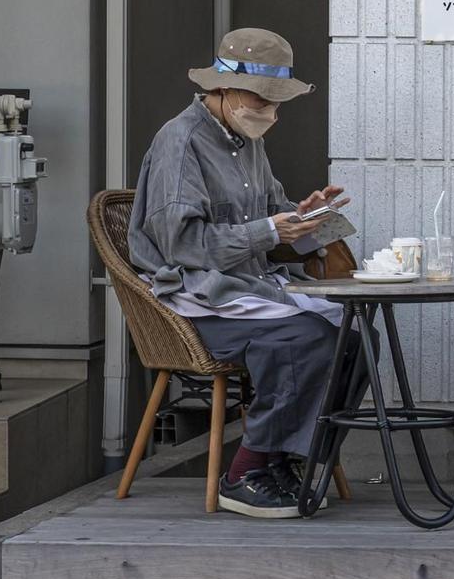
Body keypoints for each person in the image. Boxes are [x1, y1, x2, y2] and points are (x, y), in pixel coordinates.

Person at [128, 28, 353, 519]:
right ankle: (244, 472)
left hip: (244, 287)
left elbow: (270, 215)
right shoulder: (180, 141)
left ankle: (289, 460)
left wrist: (307, 215)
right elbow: (182, 245)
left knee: (354, 333)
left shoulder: (245, 138)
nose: (269, 110)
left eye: (276, 100)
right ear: (224, 88)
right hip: (193, 294)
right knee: (301, 339)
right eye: (260, 97)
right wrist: (271, 231)